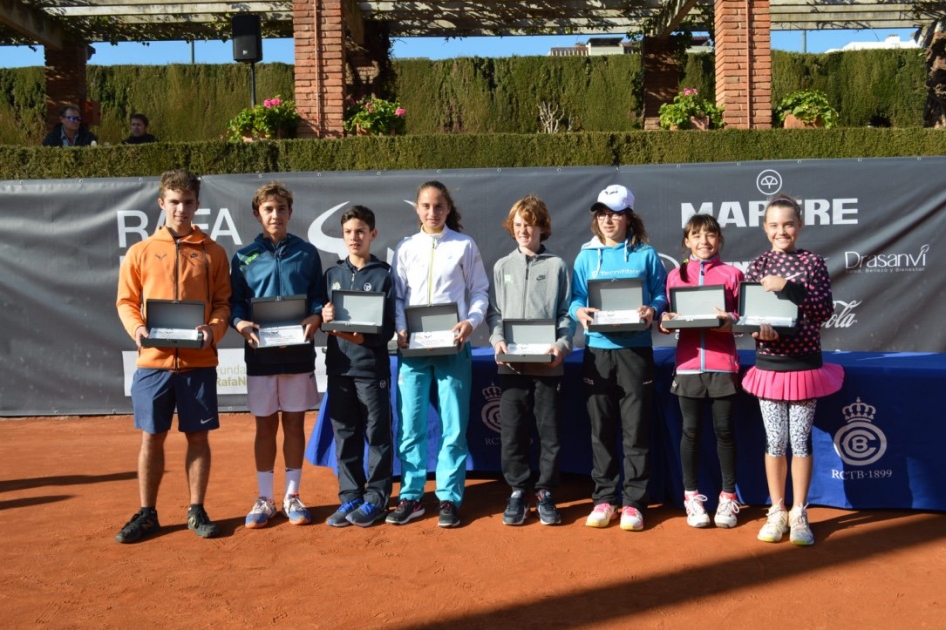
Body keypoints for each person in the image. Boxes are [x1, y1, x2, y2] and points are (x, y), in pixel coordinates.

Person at [115, 169, 231, 543]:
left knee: (198, 438)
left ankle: (196, 509)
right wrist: (138, 330)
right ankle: (147, 512)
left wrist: (212, 331)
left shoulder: (213, 252)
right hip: (153, 363)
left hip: (198, 363)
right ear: (161, 203)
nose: (182, 209)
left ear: (198, 205)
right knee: (152, 438)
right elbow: (127, 302)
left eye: (189, 202)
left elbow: (223, 304)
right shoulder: (140, 252)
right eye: (174, 202)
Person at [743, 195, 843, 546]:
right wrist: (757, 330)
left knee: (799, 441)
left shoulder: (813, 264)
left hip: (803, 365)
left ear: (799, 226)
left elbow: (823, 310)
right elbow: (750, 315)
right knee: (775, 441)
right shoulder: (756, 266)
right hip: (769, 364)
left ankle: (800, 512)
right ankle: (777, 509)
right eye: (774, 225)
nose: (781, 230)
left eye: (788, 224)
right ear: (765, 229)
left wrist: (788, 287)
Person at [389, 180, 489, 528]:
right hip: (413, 349)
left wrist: (470, 323)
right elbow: (398, 297)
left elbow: (479, 292)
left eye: (439, 206)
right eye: (426, 206)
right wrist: (400, 327)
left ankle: (448, 497)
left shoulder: (464, 245)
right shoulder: (405, 248)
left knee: (453, 427)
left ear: (448, 210)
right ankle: (412, 496)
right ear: (417, 208)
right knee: (411, 426)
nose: (433, 212)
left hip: (453, 348)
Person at [569, 184, 667, 531]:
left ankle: (634, 503)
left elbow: (660, 295)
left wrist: (651, 310)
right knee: (601, 430)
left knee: (635, 430)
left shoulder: (646, 255)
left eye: (614, 213)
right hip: (598, 351)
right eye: (602, 213)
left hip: (635, 351)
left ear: (628, 217)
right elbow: (575, 299)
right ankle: (604, 499)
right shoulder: (585, 256)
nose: (607, 220)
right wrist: (580, 313)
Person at [230, 181, 324, 529]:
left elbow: (317, 296)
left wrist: (315, 316)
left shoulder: (307, 252)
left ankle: (293, 496)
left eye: (281, 209)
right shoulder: (243, 256)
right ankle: (265, 498)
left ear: (290, 212)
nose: (275, 215)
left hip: (298, 353)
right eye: (268, 209)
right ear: (258, 214)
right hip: (260, 355)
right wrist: (240, 323)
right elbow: (236, 302)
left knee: (295, 423)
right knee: (265, 426)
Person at [486, 195, 573, 526]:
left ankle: (546, 492)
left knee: (549, 432)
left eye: (530, 224)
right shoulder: (501, 266)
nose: (524, 230)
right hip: (510, 365)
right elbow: (494, 314)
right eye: (518, 225)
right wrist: (498, 341)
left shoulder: (557, 266)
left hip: (548, 366)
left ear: (542, 227)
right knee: (512, 432)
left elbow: (566, 314)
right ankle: (518, 491)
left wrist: (562, 346)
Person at [658, 214, 743, 529]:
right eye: (696, 235)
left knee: (725, 432)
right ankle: (691, 497)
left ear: (719, 239)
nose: (703, 241)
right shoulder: (676, 276)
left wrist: (729, 319)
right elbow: (669, 318)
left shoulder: (733, 274)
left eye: (710, 235)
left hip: (723, 364)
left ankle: (729, 498)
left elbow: (742, 318)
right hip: (688, 365)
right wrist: (666, 322)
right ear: (687, 241)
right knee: (690, 432)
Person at [321, 205, 396, 527]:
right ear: (343, 235)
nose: (355, 237)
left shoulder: (384, 275)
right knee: (345, 433)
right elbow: (321, 313)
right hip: (339, 368)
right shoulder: (332, 275)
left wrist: (363, 339)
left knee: (377, 434)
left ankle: (376, 499)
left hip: (371, 369)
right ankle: (350, 496)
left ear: (373, 235)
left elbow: (388, 327)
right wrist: (323, 315)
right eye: (349, 232)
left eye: (361, 231)